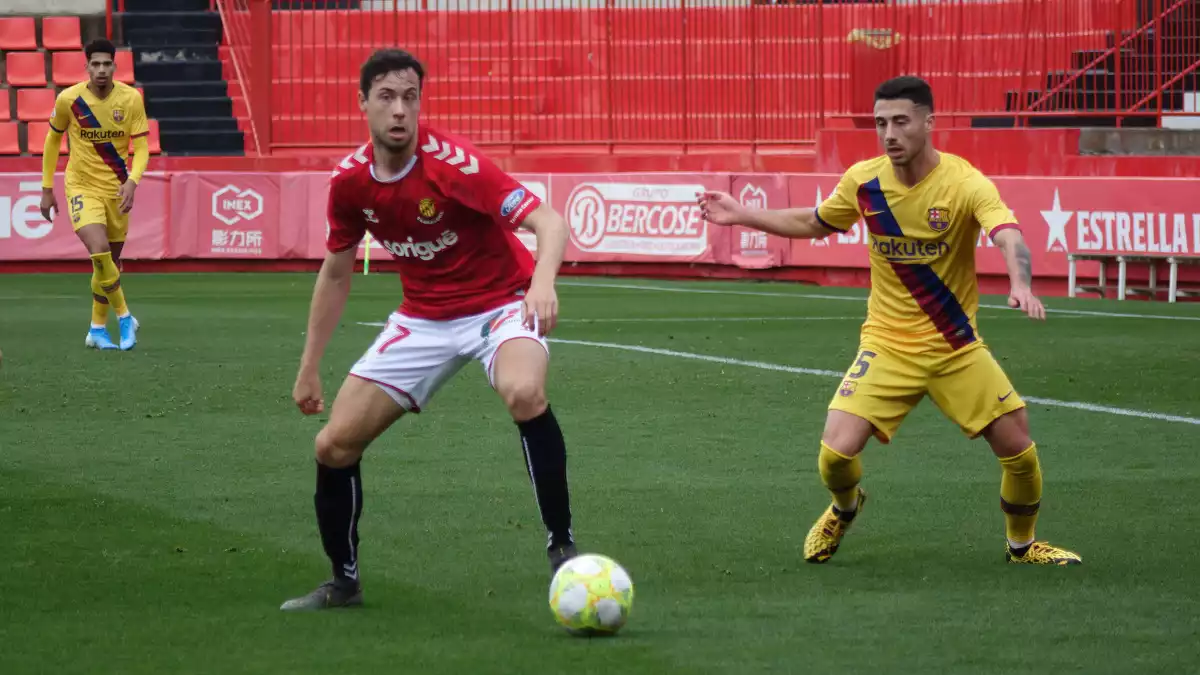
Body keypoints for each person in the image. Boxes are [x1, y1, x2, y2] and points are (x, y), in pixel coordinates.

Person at [698, 76, 1081, 566]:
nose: (889, 133)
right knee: (833, 457)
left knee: (1020, 449)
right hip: (888, 344)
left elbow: (1008, 234)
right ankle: (845, 507)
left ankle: (1022, 547)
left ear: (928, 121)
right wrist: (743, 215)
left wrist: (1020, 282)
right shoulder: (864, 181)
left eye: (901, 121)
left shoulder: (965, 183)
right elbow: (817, 222)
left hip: (954, 345)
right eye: (881, 123)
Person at [281, 49, 580, 611]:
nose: (400, 111)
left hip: (500, 304)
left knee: (524, 391)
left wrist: (542, 283)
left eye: (410, 98)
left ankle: (561, 547)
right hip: (422, 318)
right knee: (333, 444)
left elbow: (549, 222)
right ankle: (343, 582)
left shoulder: (453, 165)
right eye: (388, 97)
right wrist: (308, 366)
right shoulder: (348, 184)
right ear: (364, 103)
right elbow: (337, 271)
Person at [40, 38, 149, 352]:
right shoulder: (69, 100)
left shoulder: (131, 99)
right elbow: (51, 141)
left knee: (109, 263)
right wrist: (47, 188)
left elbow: (141, 148)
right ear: (86, 66)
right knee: (99, 250)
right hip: (81, 186)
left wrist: (132, 182)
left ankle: (96, 330)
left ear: (115, 66)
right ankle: (124, 316)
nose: (101, 70)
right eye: (95, 64)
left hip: (116, 189)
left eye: (106, 64)